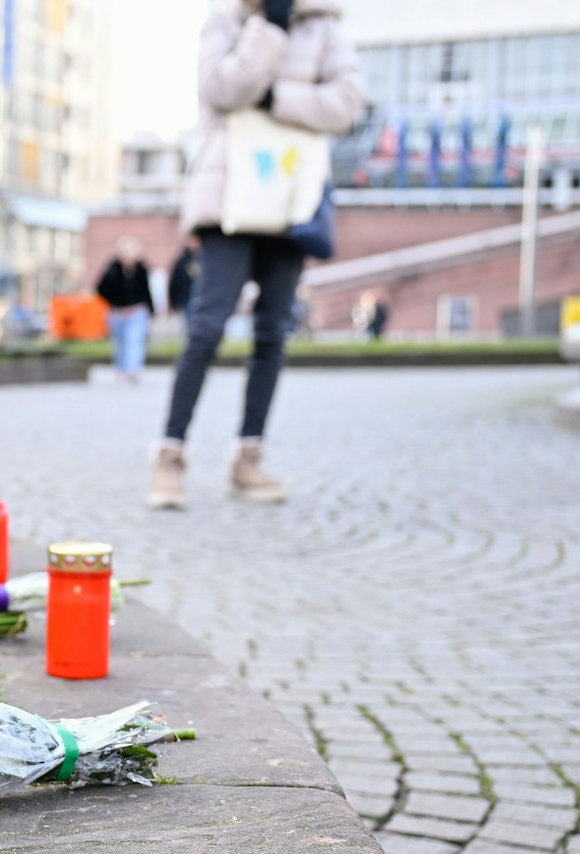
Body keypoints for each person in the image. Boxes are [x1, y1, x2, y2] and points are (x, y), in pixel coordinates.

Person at [149, 0, 364, 509]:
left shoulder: (324, 26)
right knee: (206, 328)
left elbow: (347, 103)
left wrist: (273, 97)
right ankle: (170, 454)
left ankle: (249, 458)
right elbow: (220, 89)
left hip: (291, 200)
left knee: (272, 334)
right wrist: (269, 28)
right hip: (228, 199)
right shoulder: (228, 18)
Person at [97, 238, 158, 382]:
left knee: (134, 341)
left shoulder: (142, 271)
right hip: (117, 312)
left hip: (136, 312)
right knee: (120, 343)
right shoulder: (112, 270)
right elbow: (101, 289)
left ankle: (132, 370)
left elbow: (147, 292)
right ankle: (121, 369)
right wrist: (113, 302)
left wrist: (151, 310)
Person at [168, 235, 200, 315]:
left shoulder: (202, 258)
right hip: (187, 298)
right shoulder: (182, 261)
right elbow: (176, 281)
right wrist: (174, 302)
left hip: (200, 297)